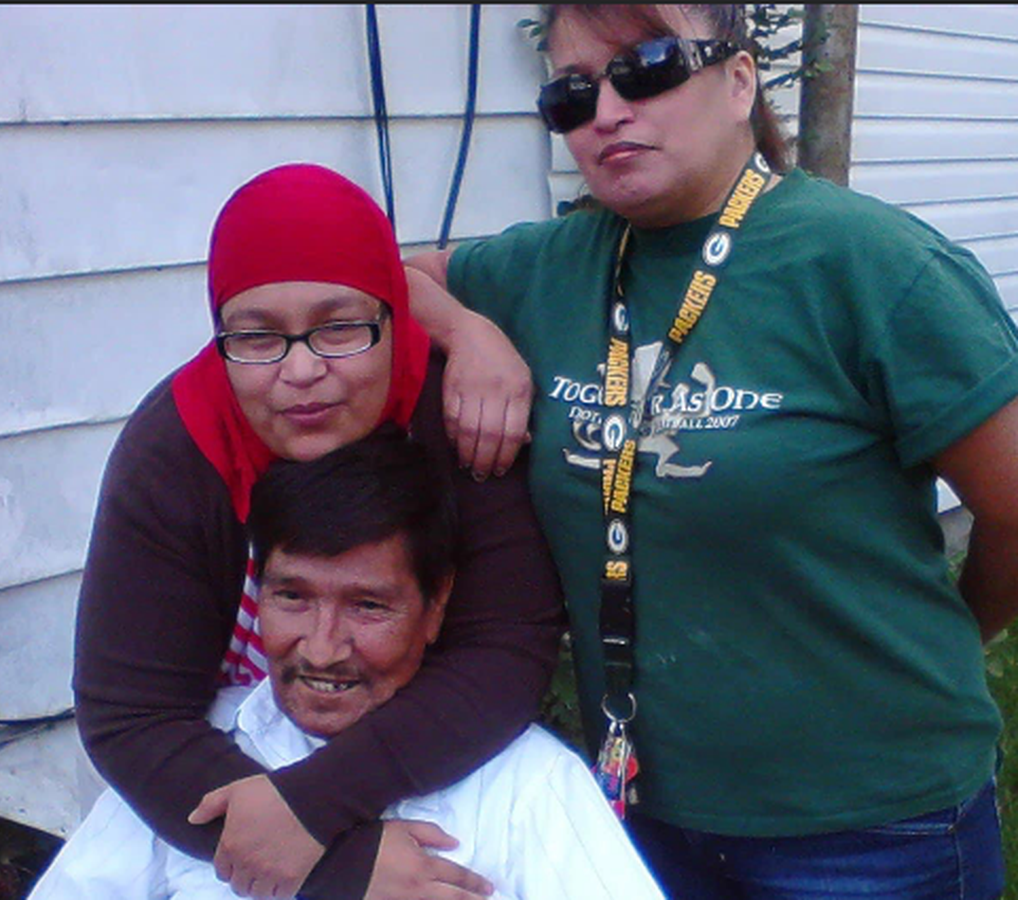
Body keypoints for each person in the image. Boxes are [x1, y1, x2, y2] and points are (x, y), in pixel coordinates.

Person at [405, 4, 1018, 898]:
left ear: (739, 82)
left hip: (869, 826)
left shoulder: (872, 264)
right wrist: (468, 332)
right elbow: (374, 275)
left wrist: (956, 637)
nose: (606, 111)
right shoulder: (544, 269)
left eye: (646, 67)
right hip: (638, 812)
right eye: (571, 93)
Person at [73, 163, 565, 900]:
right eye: (257, 337)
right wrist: (335, 864)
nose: (300, 371)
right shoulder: (174, 452)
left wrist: (318, 805)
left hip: (444, 764)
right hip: (224, 770)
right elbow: (131, 713)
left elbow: (505, 650)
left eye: (339, 329)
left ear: (394, 317)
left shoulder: (458, 415)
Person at [32, 433, 664, 900]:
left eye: (368, 606)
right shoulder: (190, 756)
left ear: (436, 606)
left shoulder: (525, 787)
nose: (322, 648)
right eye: (292, 597)